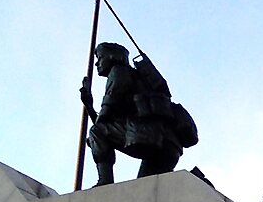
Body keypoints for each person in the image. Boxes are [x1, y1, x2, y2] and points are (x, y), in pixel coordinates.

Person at [79, 42, 197, 186]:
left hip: (151, 140)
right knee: (146, 190)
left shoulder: (118, 72)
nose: (97, 63)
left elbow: (103, 121)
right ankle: (197, 181)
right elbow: (107, 122)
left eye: (100, 57)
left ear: (111, 56)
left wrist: (89, 107)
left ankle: (105, 181)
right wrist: (90, 106)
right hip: (170, 148)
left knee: (96, 132)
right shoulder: (141, 78)